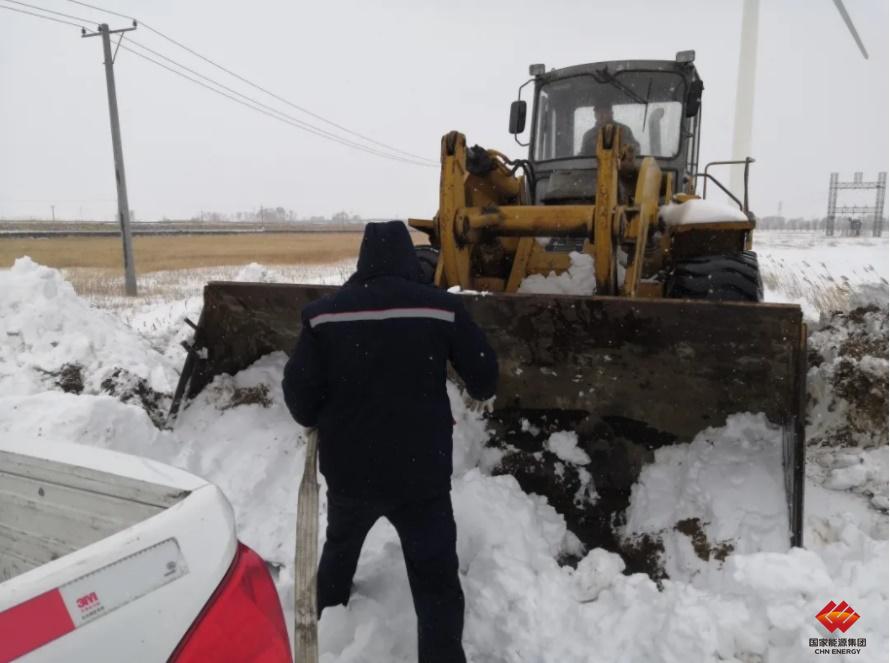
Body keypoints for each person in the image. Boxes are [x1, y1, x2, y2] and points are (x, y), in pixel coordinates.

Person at [281, 220, 498, 663]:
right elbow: (484, 378)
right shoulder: (440, 309)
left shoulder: (325, 315)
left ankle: (328, 626)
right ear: (407, 257)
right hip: (421, 475)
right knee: (436, 578)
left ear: (363, 260)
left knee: (340, 549)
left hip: (351, 472)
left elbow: (300, 398)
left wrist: (327, 409)